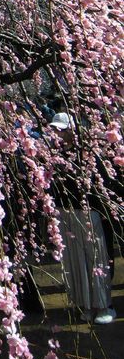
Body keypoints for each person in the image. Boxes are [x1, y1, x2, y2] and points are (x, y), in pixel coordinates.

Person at [51, 103, 116, 325]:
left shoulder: (87, 154)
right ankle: (85, 303)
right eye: (56, 130)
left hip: (89, 212)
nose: (59, 134)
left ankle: (103, 304)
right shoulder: (56, 154)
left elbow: (101, 184)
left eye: (62, 130)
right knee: (75, 260)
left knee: (94, 258)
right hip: (66, 212)